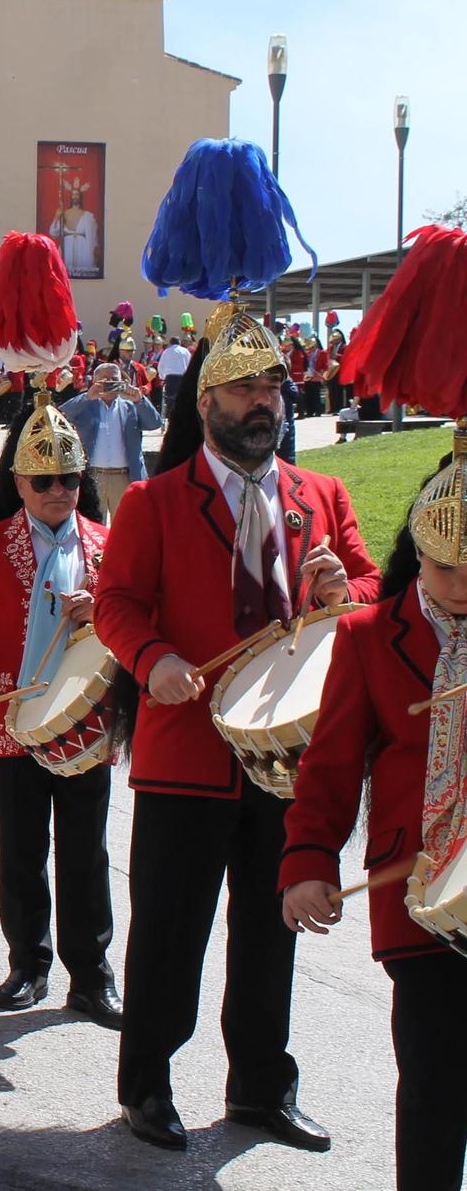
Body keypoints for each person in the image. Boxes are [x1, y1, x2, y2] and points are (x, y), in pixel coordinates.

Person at [96, 303, 378, 1154]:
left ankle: (260, 1085)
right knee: (171, 931)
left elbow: (375, 594)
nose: (263, 401)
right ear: (206, 402)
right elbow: (115, 605)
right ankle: (147, 1084)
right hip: (187, 754)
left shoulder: (320, 494)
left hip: (289, 762)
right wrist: (152, 662)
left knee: (270, 930)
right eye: (244, 388)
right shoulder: (153, 502)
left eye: (273, 387)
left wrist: (344, 598)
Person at [282, 449, 467, 1191]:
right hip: (416, 896)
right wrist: (306, 866)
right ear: (415, 555)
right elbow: (326, 771)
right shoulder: (366, 639)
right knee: (430, 1081)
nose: (461, 589)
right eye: (446, 571)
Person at [0, 392, 119, 1026]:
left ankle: (91, 975)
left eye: (69, 479)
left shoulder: (109, 547)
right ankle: (28, 964)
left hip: (86, 721)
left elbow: (141, 626)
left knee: (87, 851)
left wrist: (107, 614)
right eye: (43, 481)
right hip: (11, 722)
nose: (58, 491)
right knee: (22, 848)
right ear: (19, 481)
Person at [59, 362, 161, 522]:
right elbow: (60, 415)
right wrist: (86, 397)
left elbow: (155, 423)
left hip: (125, 477)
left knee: (127, 529)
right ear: (94, 381)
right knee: (93, 527)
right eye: (104, 380)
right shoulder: (85, 405)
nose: (109, 383)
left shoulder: (131, 405)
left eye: (114, 379)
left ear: (122, 381)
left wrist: (139, 400)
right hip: (93, 476)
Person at [156, 335, 190, 409]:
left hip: (170, 378)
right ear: (179, 343)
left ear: (170, 343)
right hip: (182, 378)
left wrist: (162, 377)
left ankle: (169, 415)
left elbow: (160, 366)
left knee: (169, 401)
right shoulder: (185, 351)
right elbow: (189, 365)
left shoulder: (166, 351)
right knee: (181, 400)